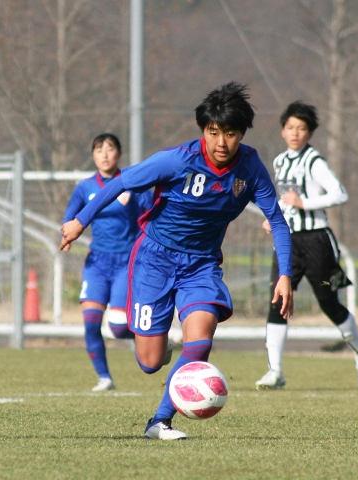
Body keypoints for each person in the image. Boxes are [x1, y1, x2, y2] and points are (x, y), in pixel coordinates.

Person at [60, 82, 293, 440]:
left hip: (201, 265)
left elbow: (276, 219)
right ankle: (161, 347)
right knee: (150, 363)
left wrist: (285, 275)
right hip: (153, 259)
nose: (221, 142)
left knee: (199, 341)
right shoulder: (178, 159)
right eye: (213, 132)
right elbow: (120, 183)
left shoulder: (250, 167)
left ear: (241, 134)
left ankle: (159, 422)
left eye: (230, 134)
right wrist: (80, 221)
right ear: (203, 130)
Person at [255, 101, 358, 390]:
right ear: (283, 130)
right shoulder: (280, 161)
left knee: (329, 304)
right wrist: (275, 217)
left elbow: (339, 194)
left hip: (316, 241)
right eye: (290, 127)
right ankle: (276, 371)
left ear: (310, 133)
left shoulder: (314, 162)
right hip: (287, 240)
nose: (295, 133)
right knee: (277, 302)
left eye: (302, 128)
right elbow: (285, 198)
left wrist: (305, 203)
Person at [63, 133, 152, 391]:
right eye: (99, 149)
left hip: (127, 263)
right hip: (97, 263)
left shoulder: (131, 184)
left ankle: (148, 339)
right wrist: (66, 235)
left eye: (110, 148)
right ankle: (104, 377)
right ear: (92, 155)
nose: (104, 154)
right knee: (91, 322)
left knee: (118, 326)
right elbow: (71, 217)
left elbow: (150, 215)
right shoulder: (85, 187)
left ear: (119, 154)